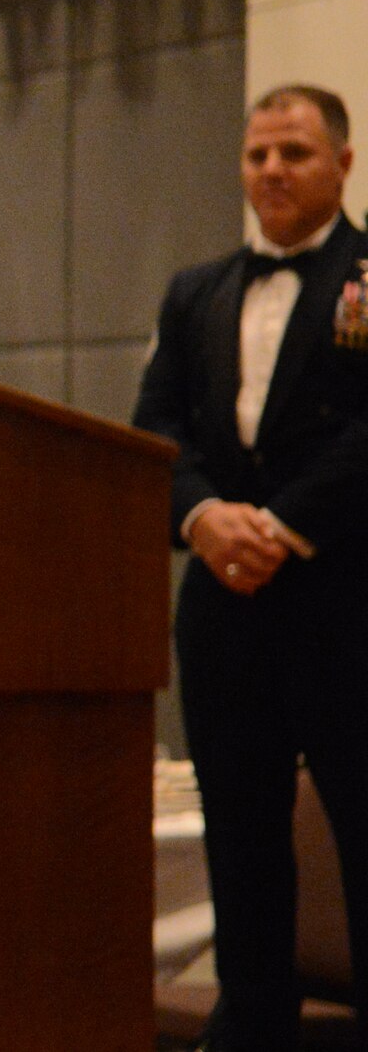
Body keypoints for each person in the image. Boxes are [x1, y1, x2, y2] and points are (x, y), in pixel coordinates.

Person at [133, 83, 368, 1048]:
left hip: (344, 598)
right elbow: (157, 429)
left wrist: (274, 525)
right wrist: (200, 517)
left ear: (344, 163)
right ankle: (252, 1017)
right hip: (225, 606)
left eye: (295, 153)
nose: (271, 171)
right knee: (240, 826)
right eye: (258, 154)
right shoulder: (197, 289)